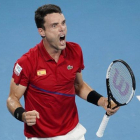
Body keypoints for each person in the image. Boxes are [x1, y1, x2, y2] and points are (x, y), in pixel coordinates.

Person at [7, 4, 119, 140]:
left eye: (63, 23)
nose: (62, 29)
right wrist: (23, 115)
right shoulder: (26, 62)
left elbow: (78, 85)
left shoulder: (75, 51)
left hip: (73, 132)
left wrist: (102, 101)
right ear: (42, 31)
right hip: (41, 136)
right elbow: (12, 99)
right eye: (54, 25)